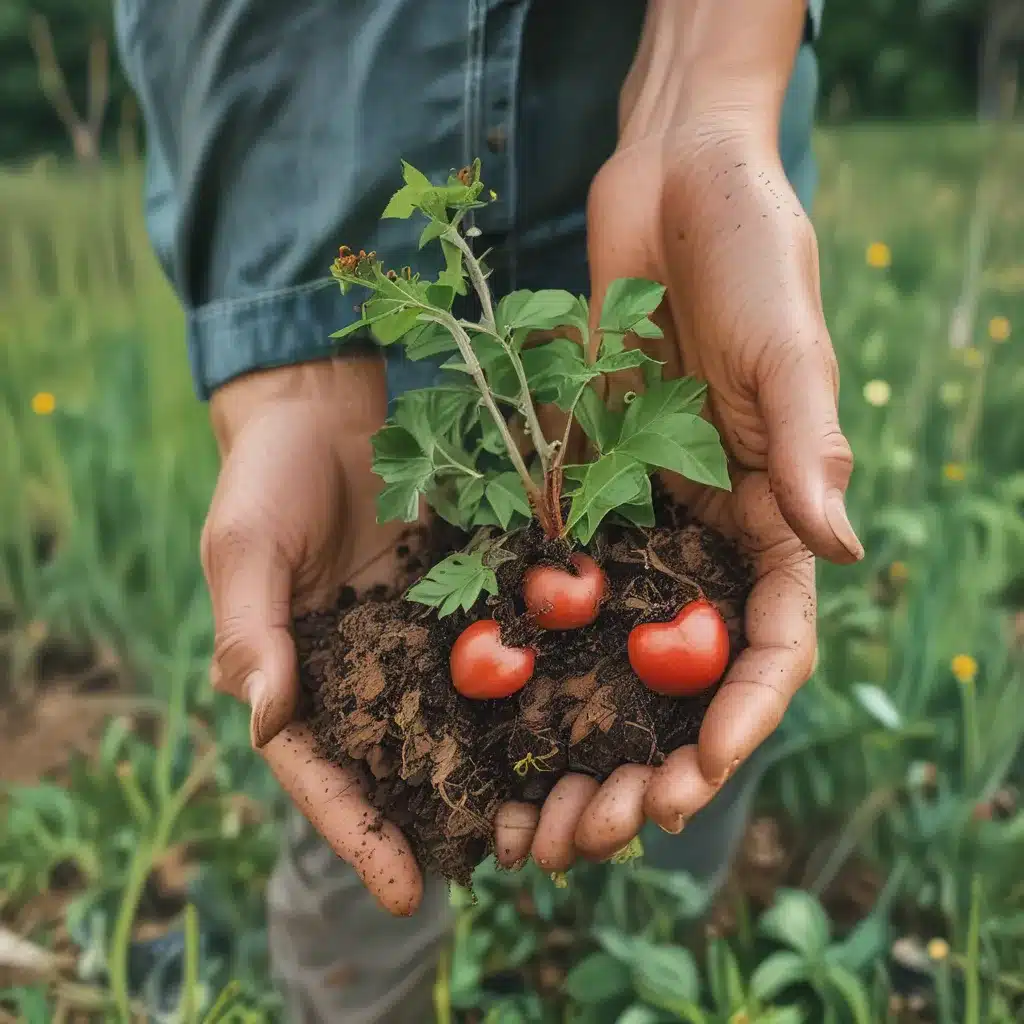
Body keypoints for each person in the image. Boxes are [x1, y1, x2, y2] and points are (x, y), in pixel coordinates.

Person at [115, 0, 861, 1019]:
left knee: (710, 703)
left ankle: (660, 965)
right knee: (367, 762)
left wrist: (709, 84)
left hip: (635, 194)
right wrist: (283, 333)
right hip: (329, 181)